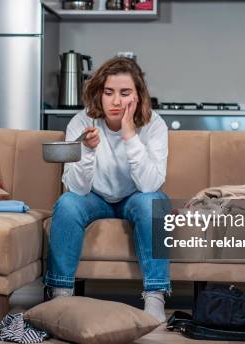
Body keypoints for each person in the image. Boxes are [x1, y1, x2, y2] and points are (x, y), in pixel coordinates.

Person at [44, 56, 170, 322]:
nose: (116, 101)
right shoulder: (80, 122)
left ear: (138, 96)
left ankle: (155, 296)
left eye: (125, 93)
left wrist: (129, 135)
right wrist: (88, 151)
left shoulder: (154, 125)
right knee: (66, 203)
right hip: (94, 197)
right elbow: (76, 188)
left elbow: (149, 185)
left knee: (154, 202)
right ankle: (60, 295)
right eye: (109, 92)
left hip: (134, 197)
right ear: (99, 93)